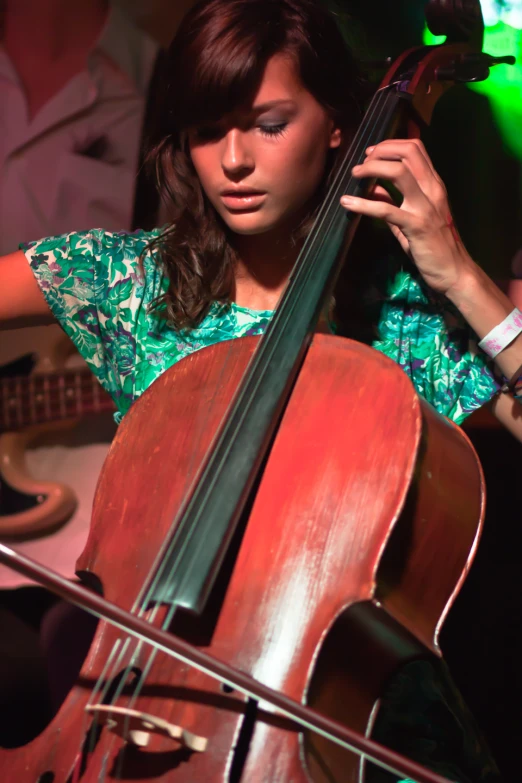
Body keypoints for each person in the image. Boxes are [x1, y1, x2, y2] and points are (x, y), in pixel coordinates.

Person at [0, 0, 519, 778]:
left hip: (347, 734)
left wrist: (462, 277)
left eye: (269, 124)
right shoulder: (138, 284)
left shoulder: (404, 317)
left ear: (339, 127)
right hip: (141, 708)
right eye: (209, 131)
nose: (233, 161)